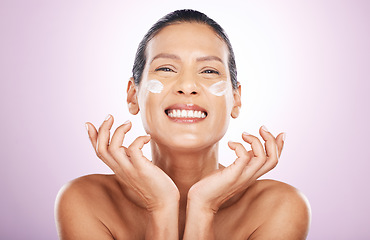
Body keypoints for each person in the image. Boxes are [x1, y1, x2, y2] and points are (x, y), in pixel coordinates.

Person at [55, 9, 311, 240]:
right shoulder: (86, 201)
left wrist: (203, 207)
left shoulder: (279, 207)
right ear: (133, 95)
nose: (187, 86)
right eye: (166, 68)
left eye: (209, 71)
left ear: (236, 100)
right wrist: (161, 206)